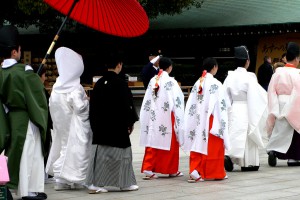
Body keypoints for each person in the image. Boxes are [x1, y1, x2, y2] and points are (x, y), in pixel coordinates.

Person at [0, 25, 48, 200]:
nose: (20, 52)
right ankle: (29, 191)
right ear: (14, 52)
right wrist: (34, 77)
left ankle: (17, 189)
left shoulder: (1, 72)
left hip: (10, 117)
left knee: (15, 152)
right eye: (19, 49)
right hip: (27, 117)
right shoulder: (24, 71)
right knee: (30, 152)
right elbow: (38, 96)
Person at [85, 54, 139, 193]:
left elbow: (93, 107)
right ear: (119, 65)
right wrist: (130, 122)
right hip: (117, 127)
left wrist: (94, 125)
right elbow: (128, 106)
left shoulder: (98, 83)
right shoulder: (121, 83)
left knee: (100, 156)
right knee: (123, 155)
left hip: (100, 127)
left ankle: (95, 183)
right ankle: (124, 183)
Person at [45, 47, 92, 190]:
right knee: (77, 149)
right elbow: (80, 108)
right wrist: (87, 101)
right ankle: (73, 178)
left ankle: (61, 179)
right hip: (74, 124)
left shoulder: (57, 87)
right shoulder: (74, 87)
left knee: (62, 147)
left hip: (60, 124)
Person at [183, 57, 230, 182]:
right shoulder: (216, 84)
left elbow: (191, 103)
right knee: (214, 146)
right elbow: (222, 104)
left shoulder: (198, 82)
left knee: (197, 143)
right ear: (214, 67)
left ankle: (195, 170)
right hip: (211, 120)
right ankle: (215, 172)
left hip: (198, 119)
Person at [223, 46, 267, 172]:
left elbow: (225, 97)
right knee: (247, 135)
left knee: (234, 132)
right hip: (247, 107)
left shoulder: (229, 77)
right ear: (247, 61)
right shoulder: (249, 77)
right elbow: (256, 96)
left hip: (234, 107)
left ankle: (230, 156)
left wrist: (228, 110)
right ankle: (248, 162)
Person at [140, 57, 185, 179]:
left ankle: (148, 168)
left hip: (154, 115)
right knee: (170, 142)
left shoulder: (153, 80)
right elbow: (178, 100)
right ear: (169, 67)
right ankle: (170, 169)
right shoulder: (171, 82)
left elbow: (147, 99)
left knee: (152, 139)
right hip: (167, 116)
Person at [266, 42, 300, 167]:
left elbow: (271, 91)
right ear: (297, 58)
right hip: (294, 102)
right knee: (295, 130)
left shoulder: (278, 73)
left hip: (279, 102)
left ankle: (274, 150)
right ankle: (293, 158)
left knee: (279, 129)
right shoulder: (297, 74)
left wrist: (274, 106)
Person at [32, 65, 53, 183]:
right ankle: (41, 174)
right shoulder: (40, 90)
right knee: (42, 150)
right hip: (43, 123)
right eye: (44, 75)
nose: (45, 78)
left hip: (39, 123)